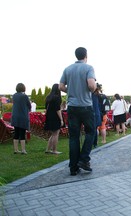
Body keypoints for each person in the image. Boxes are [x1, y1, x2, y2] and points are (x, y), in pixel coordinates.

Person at [59, 47, 96, 176]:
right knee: (91, 132)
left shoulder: (67, 69)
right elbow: (91, 85)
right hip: (85, 106)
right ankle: (84, 159)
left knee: (74, 137)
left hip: (72, 107)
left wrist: (71, 91)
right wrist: (93, 88)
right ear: (86, 55)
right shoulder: (88, 68)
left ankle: (73, 167)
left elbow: (61, 86)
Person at [11, 83, 31, 154]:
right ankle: (23, 150)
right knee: (22, 133)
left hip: (15, 116)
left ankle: (15, 150)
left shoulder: (14, 96)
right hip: (23, 116)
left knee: (16, 133)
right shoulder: (25, 96)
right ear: (23, 88)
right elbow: (29, 105)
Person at [44, 83, 64, 154]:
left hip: (49, 116)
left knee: (52, 134)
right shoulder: (57, 97)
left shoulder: (48, 97)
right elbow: (58, 110)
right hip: (55, 117)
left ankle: (48, 149)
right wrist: (61, 119)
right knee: (56, 134)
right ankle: (54, 150)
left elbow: (46, 109)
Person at [92, 83, 102, 148]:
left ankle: (93, 143)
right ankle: (95, 143)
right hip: (96, 113)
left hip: (92, 113)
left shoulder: (91, 95)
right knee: (94, 129)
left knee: (91, 129)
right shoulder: (98, 95)